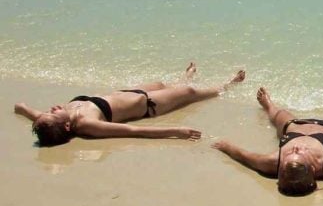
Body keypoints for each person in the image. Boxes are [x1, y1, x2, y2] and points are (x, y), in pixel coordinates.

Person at [14, 63, 246, 147]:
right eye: (53, 113)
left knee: (164, 83)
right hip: (149, 105)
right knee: (190, 93)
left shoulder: (58, 118)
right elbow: (133, 131)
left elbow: (36, 115)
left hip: (129, 93)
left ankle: (184, 77)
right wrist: (177, 131)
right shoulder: (87, 124)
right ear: (66, 128)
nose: (52, 108)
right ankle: (228, 85)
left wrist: (22, 108)